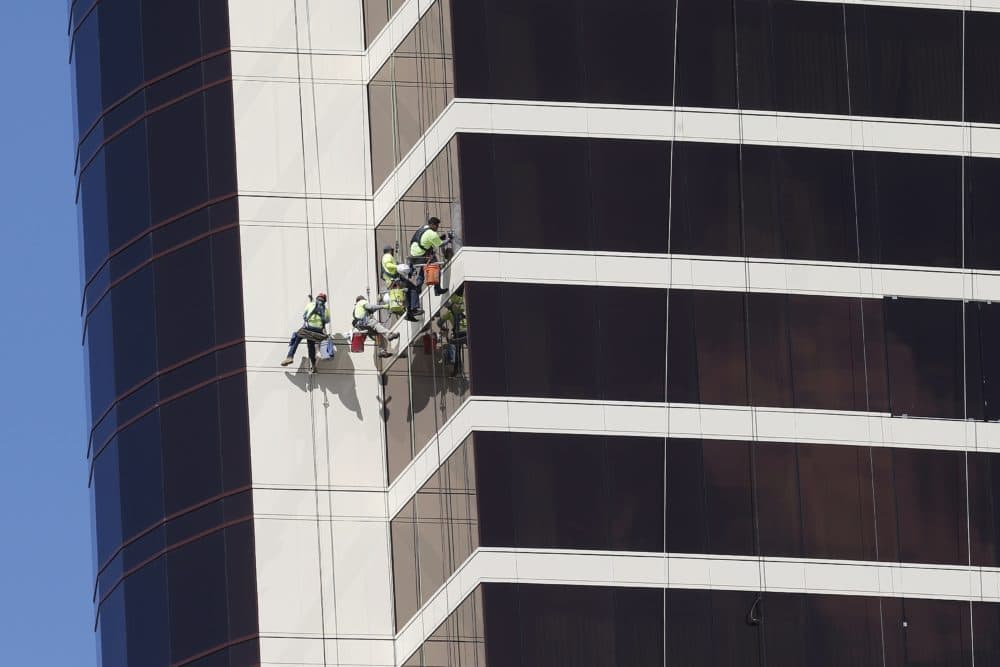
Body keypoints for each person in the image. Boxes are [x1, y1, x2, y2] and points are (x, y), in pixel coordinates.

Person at [281, 293, 330, 371]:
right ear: (324, 301)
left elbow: (304, 316)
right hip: (318, 332)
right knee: (311, 347)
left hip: (308, 329)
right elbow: (327, 320)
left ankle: (289, 357)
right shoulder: (326, 310)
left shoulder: (311, 305)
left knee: (296, 338)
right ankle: (314, 366)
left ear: (317, 298)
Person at [408, 216, 453, 296]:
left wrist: (439, 238)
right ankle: (437, 289)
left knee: (424, 268)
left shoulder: (424, 227)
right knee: (436, 265)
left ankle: (418, 287)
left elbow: (425, 240)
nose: (437, 228)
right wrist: (449, 239)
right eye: (437, 226)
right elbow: (441, 244)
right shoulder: (432, 234)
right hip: (421, 255)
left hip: (413, 254)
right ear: (432, 225)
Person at [381, 243, 422, 320]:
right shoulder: (387, 256)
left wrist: (398, 265)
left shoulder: (384, 258)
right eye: (392, 250)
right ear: (390, 250)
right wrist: (397, 266)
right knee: (413, 289)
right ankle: (414, 309)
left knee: (407, 293)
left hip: (392, 281)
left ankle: (410, 313)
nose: (393, 252)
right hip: (395, 280)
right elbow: (388, 265)